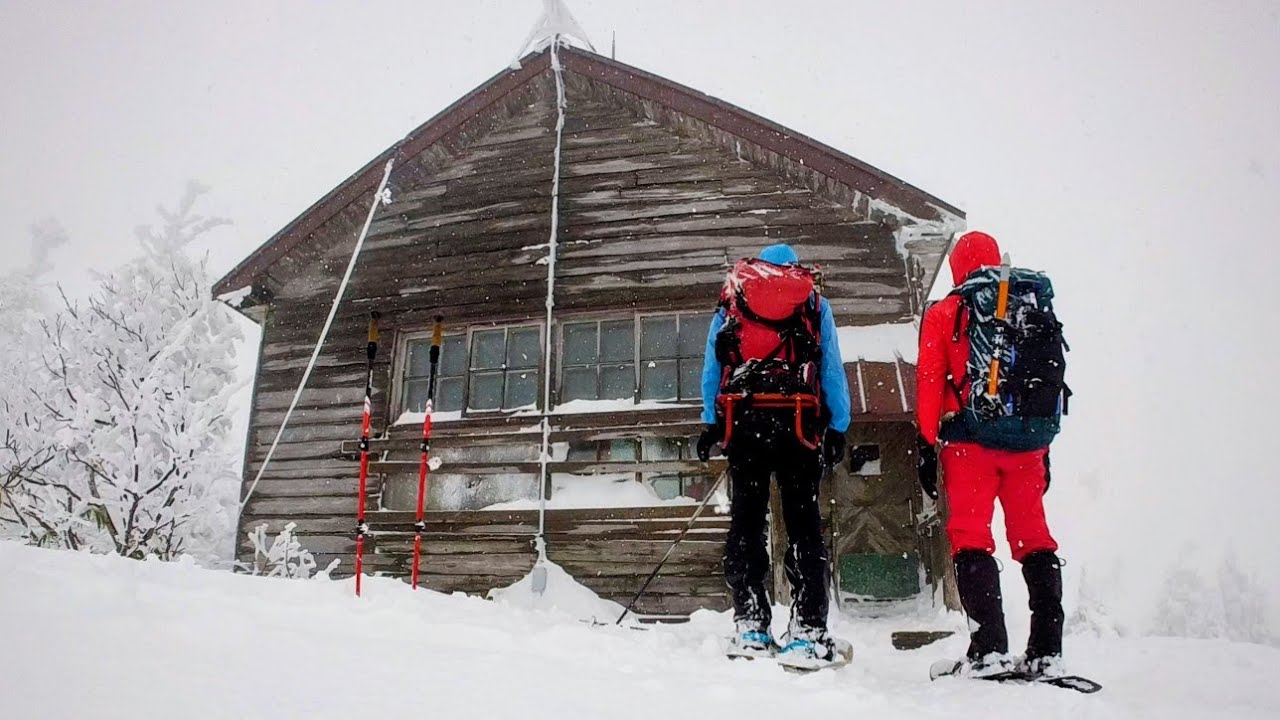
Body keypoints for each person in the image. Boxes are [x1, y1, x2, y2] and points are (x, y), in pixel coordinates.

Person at [915, 230, 1066, 678]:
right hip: (1028, 444)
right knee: (1034, 537)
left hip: (968, 445)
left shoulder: (947, 312)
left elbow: (929, 385)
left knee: (971, 536)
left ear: (957, 268)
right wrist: (1042, 446)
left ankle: (989, 649)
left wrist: (928, 443)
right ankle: (1046, 649)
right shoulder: (1029, 304)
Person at [696, 243, 850, 664]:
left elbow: (713, 365)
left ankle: (750, 627)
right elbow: (832, 367)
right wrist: (838, 425)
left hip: (744, 424)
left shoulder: (733, 298)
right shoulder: (814, 302)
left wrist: (712, 420)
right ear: (794, 268)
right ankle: (808, 631)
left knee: (747, 521)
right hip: (799, 426)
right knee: (803, 522)